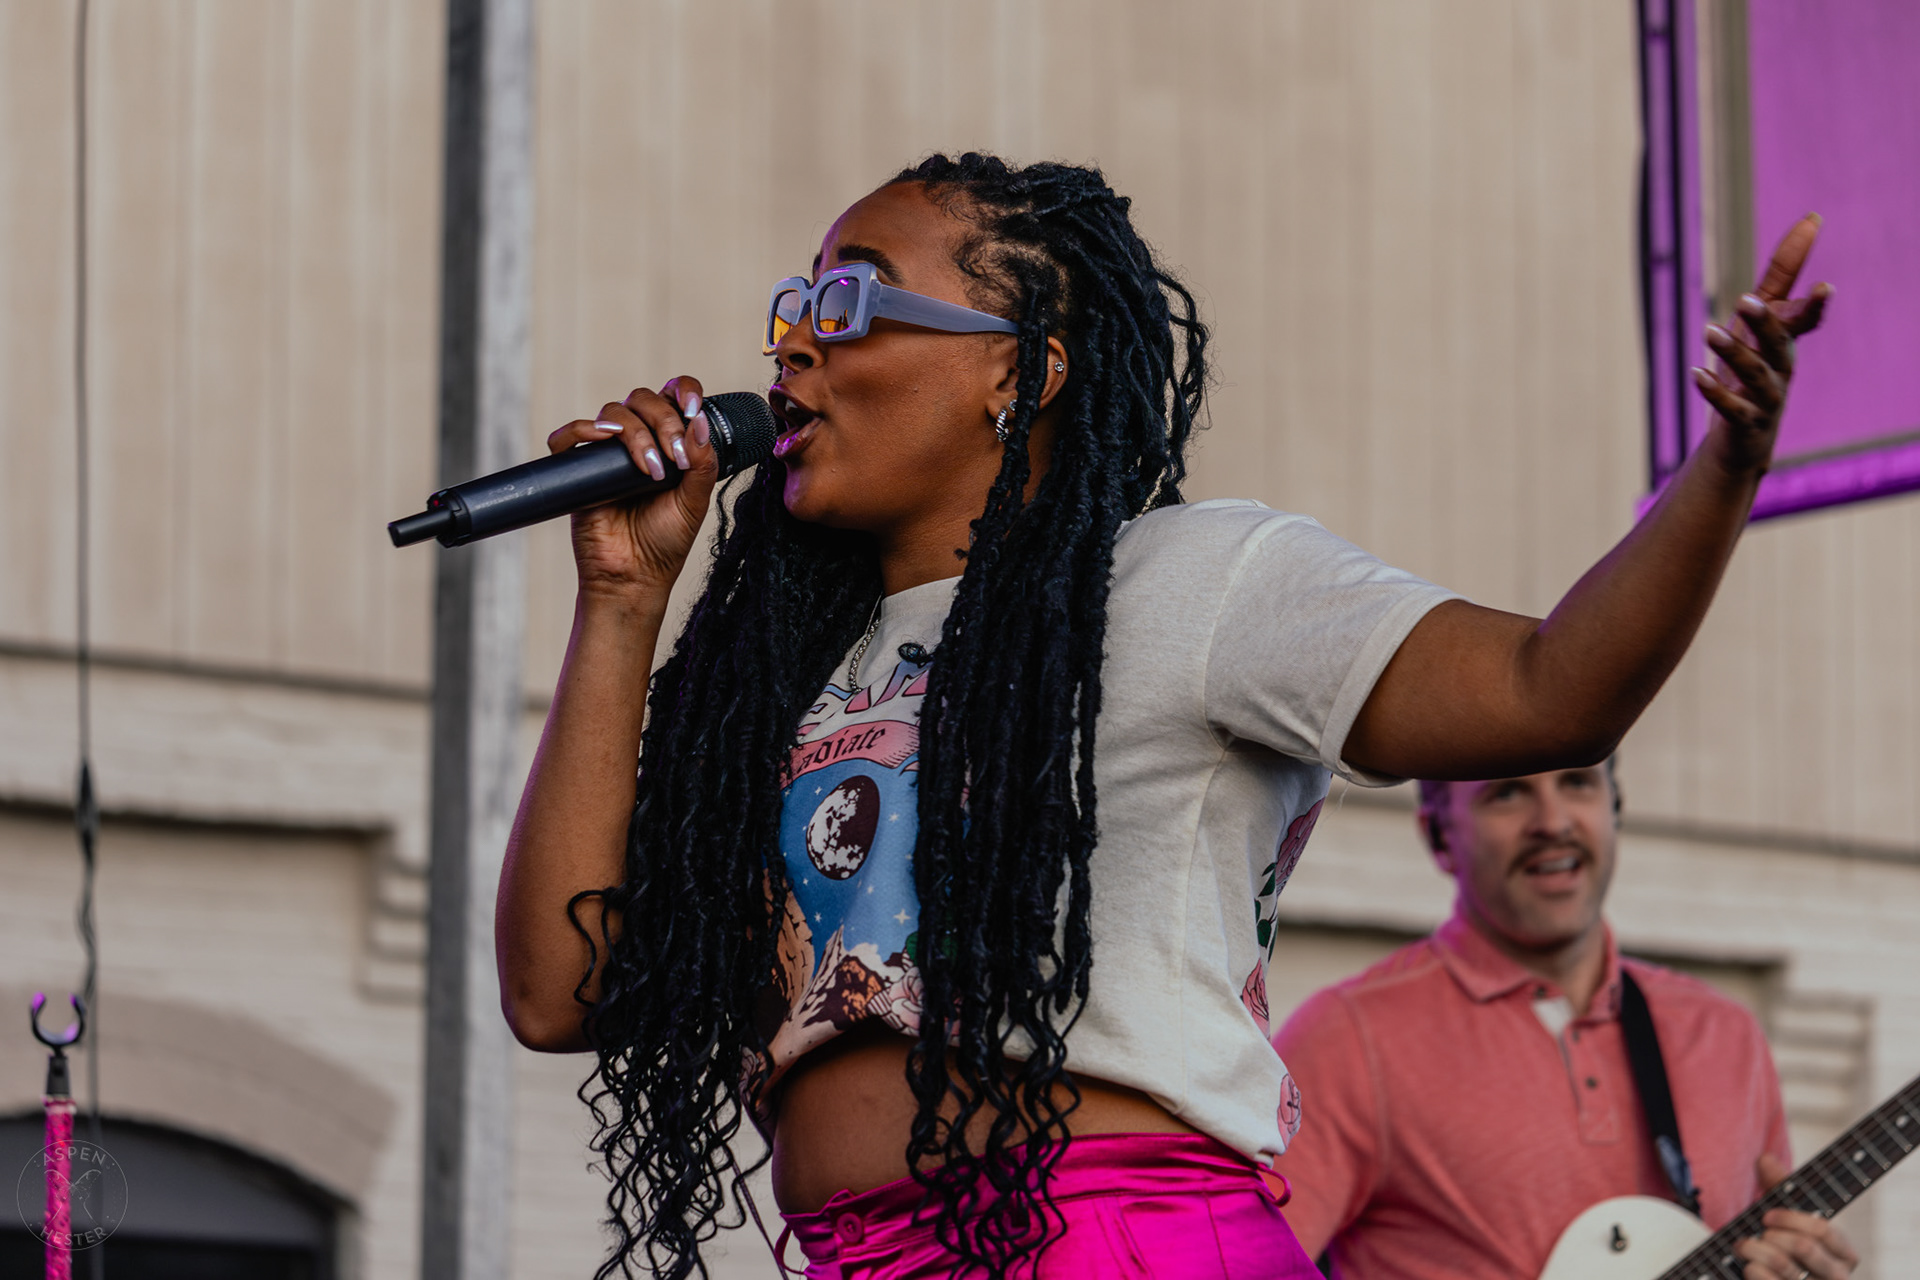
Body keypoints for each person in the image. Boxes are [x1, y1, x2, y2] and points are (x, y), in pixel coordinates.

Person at [493, 151, 1828, 1279]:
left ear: (1023, 371)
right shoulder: (777, 685)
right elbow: (564, 992)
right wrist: (621, 595)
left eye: (851, 303)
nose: (793, 343)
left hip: (1116, 1236)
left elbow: (1552, 687)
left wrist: (1727, 468)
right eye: (795, 305)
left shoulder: (1192, 582)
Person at [1271, 764, 1860, 1280]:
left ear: (1614, 808)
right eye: (1507, 793)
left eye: (1577, 782)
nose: (1552, 820)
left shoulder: (1728, 1037)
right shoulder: (1349, 1036)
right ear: (1439, 835)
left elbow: (1764, 1259)